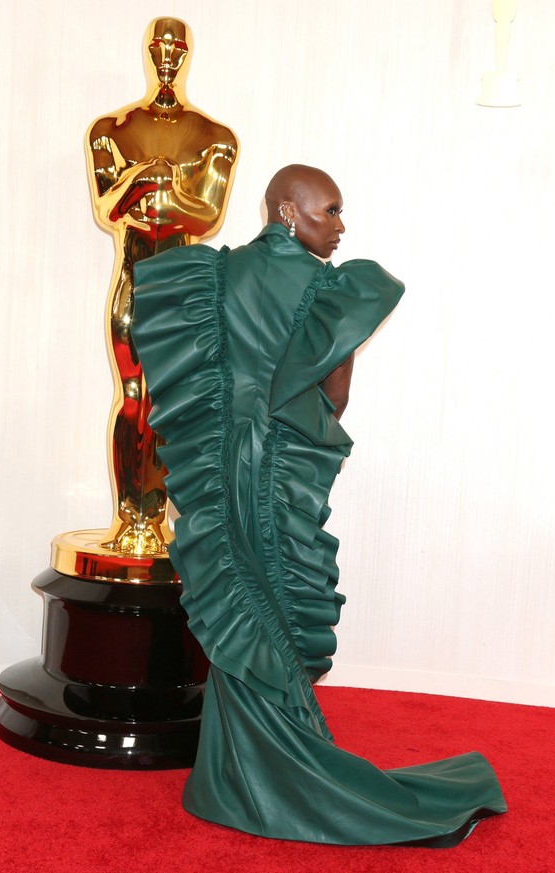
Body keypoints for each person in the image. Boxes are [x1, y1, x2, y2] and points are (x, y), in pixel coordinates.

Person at [131, 164, 507, 846]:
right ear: (286, 210)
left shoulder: (209, 276)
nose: (339, 226)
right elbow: (334, 400)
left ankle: (231, 772)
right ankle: (279, 772)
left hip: (217, 470)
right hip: (273, 471)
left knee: (238, 602)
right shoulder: (328, 289)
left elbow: (179, 376)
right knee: (272, 602)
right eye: (329, 211)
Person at [85, 17, 238, 555]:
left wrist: (156, 187)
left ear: (189, 53)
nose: (168, 52)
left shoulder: (215, 138)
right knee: (132, 399)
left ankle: (162, 523)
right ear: (147, 52)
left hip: (181, 294)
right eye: (159, 44)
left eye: (177, 44)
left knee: (171, 405)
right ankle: (131, 521)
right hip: (131, 283)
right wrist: (143, 179)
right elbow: (109, 207)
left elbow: (206, 216)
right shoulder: (111, 130)